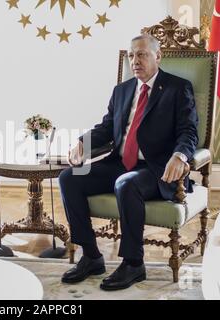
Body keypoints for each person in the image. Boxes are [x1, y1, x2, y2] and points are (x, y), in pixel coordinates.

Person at [59, 34, 198, 290]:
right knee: (69, 178)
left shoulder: (178, 88)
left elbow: (189, 131)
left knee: (126, 184)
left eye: (142, 54)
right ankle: (91, 256)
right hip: (120, 163)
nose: (135, 60)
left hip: (155, 169)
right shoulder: (121, 90)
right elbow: (107, 128)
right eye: (132, 55)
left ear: (158, 56)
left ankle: (134, 263)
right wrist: (81, 143)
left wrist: (180, 156)